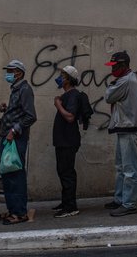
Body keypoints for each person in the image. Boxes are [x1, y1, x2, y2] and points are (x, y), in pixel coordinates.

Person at [103, 51, 137, 217]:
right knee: (121, 167)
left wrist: (111, 86)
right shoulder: (127, 79)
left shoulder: (126, 81)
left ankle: (129, 203)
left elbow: (108, 96)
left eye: (115, 66)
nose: (112, 69)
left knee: (129, 169)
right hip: (124, 127)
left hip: (129, 128)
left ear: (123, 65)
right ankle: (120, 199)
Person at [0, 60, 37, 225]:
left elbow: (31, 116)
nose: (8, 74)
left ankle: (20, 212)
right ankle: (13, 209)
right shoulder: (16, 89)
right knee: (8, 174)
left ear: (19, 73)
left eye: (11, 71)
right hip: (9, 137)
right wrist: (7, 110)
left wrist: (14, 131)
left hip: (16, 139)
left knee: (15, 175)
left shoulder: (25, 89)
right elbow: (20, 112)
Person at [52, 65, 83, 218]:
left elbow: (70, 117)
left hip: (68, 141)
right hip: (62, 141)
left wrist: (58, 105)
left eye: (62, 76)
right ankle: (66, 202)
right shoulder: (66, 95)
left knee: (67, 173)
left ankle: (71, 207)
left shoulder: (73, 95)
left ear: (68, 79)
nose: (59, 78)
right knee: (62, 172)